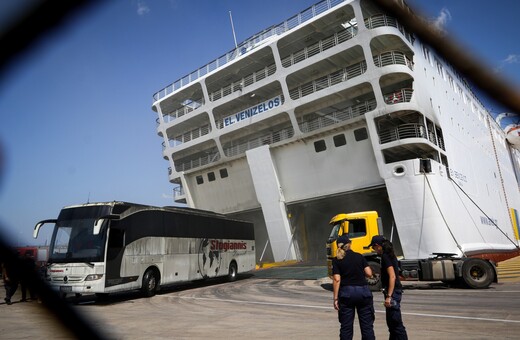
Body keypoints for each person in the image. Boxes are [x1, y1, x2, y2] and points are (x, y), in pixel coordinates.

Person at [332, 235, 375, 340]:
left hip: (347, 294)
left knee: (346, 327)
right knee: (367, 327)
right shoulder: (359, 256)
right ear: (349, 244)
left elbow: (337, 279)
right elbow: (369, 274)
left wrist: (335, 298)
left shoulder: (337, 260)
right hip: (363, 292)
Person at [368, 235, 408, 340]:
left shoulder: (386, 256)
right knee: (391, 323)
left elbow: (392, 276)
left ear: (378, 246)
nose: (374, 250)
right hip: (393, 292)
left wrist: (389, 296)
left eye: (373, 247)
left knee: (395, 323)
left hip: (393, 293)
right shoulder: (389, 255)